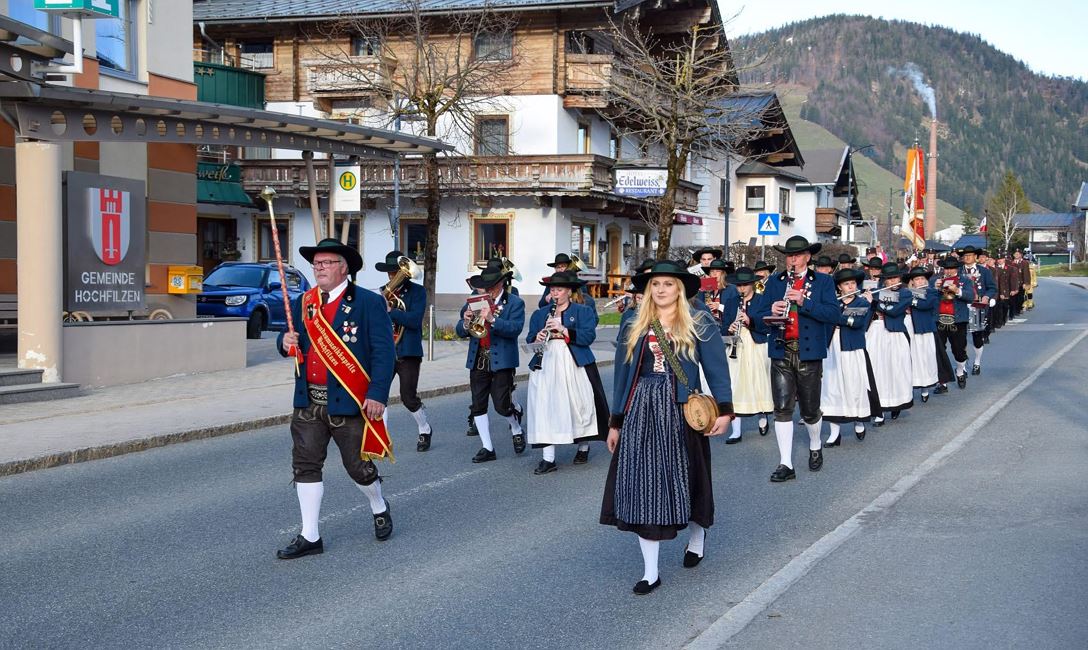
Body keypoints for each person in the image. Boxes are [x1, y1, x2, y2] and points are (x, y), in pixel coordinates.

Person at [601, 260, 734, 595]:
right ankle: (650, 572)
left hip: (681, 410)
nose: (661, 290)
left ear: (679, 289)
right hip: (640, 410)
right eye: (655, 284)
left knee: (687, 478)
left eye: (668, 284)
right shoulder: (633, 321)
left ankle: (697, 534)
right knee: (644, 485)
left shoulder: (698, 321)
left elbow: (717, 368)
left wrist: (725, 411)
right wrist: (616, 421)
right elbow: (622, 374)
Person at [275, 238, 396, 560]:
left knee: (357, 467)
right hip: (308, 401)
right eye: (316, 263)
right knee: (305, 464)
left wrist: (377, 394)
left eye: (327, 263)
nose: (319, 268)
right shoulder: (305, 302)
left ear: (344, 268)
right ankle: (310, 535)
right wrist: (284, 340)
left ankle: (378, 504)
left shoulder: (368, 303)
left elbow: (384, 353)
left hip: (351, 401)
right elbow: (294, 342)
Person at [750, 235, 841, 482]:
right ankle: (786, 463)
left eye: (798, 255)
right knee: (782, 409)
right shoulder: (775, 283)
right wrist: (770, 310)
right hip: (781, 349)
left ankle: (814, 444)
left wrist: (804, 301)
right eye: (790, 255)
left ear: (808, 257)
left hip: (809, 352)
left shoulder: (823, 281)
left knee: (810, 411)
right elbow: (755, 315)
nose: (793, 259)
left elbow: (833, 314)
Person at [526, 271, 608, 474]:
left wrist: (563, 329)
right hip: (546, 362)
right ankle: (548, 458)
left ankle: (583, 445)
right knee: (544, 406)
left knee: (578, 403)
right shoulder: (539, 314)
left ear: (569, 291)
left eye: (559, 289)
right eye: (552, 289)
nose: (555, 293)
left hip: (573, 361)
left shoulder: (582, 311)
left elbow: (588, 336)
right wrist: (537, 336)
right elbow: (530, 340)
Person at [457, 264, 526, 463]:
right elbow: (460, 331)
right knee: (478, 405)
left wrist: (492, 319)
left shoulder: (514, 303)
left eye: (490, 286)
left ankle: (516, 427)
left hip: (502, 360)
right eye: (485, 286)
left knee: (502, 405)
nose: (487, 290)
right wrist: (465, 321)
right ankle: (488, 447)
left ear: (500, 284)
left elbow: (515, 329)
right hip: (478, 357)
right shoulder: (474, 301)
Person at [375, 250, 434, 452]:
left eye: (395, 272)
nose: (392, 277)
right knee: (379, 395)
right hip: (385, 351)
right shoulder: (382, 292)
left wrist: (391, 311)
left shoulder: (418, 292)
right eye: (390, 273)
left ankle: (424, 429)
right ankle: (382, 439)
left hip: (408, 351)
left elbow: (415, 321)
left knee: (408, 397)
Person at [822, 268, 876, 446]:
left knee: (854, 386)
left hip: (852, 348)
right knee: (832, 388)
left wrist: (835, 317)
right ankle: (834, 433)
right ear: (839, 287)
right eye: (846, 284)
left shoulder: (861, 302)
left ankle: (859, 420)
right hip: (832, 347)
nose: (851, 286)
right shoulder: (832, 303)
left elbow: (857, 323)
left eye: (853, 283)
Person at [723, 267, 773, 443]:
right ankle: (736, 430)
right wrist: (728, 328)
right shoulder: (731, 301)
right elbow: (724, 325)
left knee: (757, 381)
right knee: (735, 384)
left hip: (755, 344)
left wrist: (750, 321)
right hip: (736, 344)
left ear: (752, 284)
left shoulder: (762, 300)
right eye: (738, 286)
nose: (741, 289)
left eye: (744, 285)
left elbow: (767, 324)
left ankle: (762, 416)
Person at [863, 262, 914, 425]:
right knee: (876, 370)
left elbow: (894, 310)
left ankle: (896, 402)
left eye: (895, 278)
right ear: (883, 280)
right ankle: (879, 410)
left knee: (896, 369)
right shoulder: (875, 291)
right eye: (889, 279)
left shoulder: (905, 293)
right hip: (874, 333)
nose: (892, 282)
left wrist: (874, 302)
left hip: (895, 334)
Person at [931, 257, 976, 393]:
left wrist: (957, 291)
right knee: (940, 350)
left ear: (957, 269)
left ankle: (960, 371)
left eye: (952, 268)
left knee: (959, 350)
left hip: (957, 319)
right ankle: (942, 382)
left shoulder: (965, 280)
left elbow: (971, 297)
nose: (949, 271)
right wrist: (934, 288)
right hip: (940, 319)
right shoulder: (936, 280)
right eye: (947, 268)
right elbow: (928, 296)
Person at [958, 246, 997, 375]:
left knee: (977, 337)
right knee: (960, 337)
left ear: (976, 257)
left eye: (970, 255)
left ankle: (977, 362)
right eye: (965, 255)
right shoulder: (958, 271)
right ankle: (962, 365)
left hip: (978, 306)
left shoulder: (984, 271)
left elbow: (992, 288)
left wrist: (986, 296)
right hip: (961, 307)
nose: (967, 257)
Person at [904, 266, 939, 404]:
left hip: (923, 329)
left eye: (922, 278)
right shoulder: (905, 292)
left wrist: (910, 300)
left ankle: (925, 387)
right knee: (908, 358)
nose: (920, 281)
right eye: (917, 279)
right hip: (907, 327)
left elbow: (926, 304)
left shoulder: (931, 292)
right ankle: (908, 389)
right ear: (912, 281)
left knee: (924, 358)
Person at [699, 258, 740, 331]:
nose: (714, 273)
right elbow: (698, 309)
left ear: (723, 273)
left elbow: (735, 312)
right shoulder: (705, 289)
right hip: (708, 329)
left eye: (718, 271)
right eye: (712, 271)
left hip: (725, 329)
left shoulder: (731, 289)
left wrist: (719, 306)